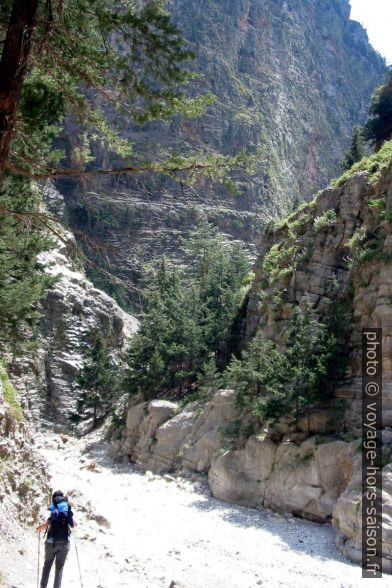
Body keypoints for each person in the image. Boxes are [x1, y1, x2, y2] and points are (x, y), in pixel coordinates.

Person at [36, 490, 76, 588]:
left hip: (51, 542)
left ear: (53, 499)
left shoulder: (53, 510)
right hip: (64, 543)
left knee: (47, 564)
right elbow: (73, 525)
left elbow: (45, 526)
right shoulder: (67, 511)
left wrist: (38, 528)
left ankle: (43, 586)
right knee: (59, 567)